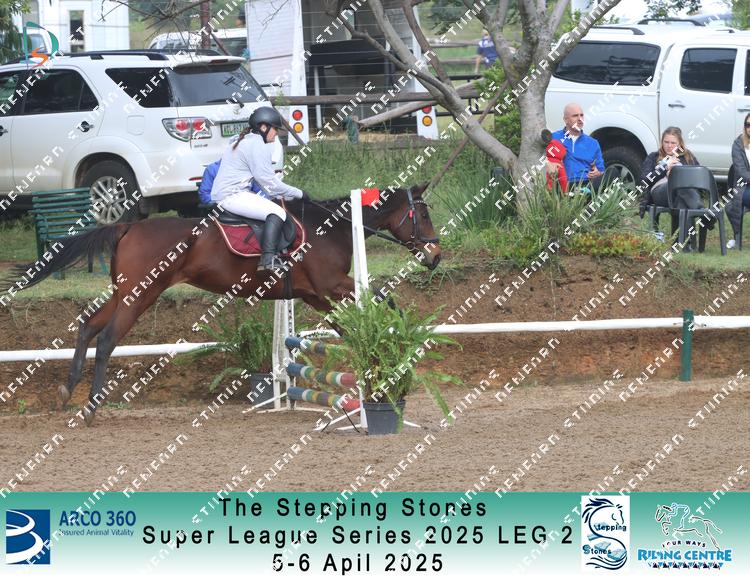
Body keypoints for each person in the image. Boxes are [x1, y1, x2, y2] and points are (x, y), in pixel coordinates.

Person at [210, 107, 304, 271]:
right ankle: (268, 260)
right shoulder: (257, 144)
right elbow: (268, 181)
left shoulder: (245, 140)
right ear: (263, 127)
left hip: (229, 193)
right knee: (277, 213)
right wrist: (299, 193)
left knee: (272, 206)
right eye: (275, 129)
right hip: (232, 195)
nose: (276, 133)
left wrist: (276, 195)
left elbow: (264, 183)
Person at [639, 127, 702, 220]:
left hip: (682, 193)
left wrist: (679, 173)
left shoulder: (687, 157)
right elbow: (645, 180)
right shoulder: (654, 156)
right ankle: (701, 212)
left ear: (679, 144)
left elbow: (698, 177)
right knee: (679, 184)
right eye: (666, 142)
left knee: (681, 203)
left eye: (673, 143)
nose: (669, 146)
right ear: (662, 142)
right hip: (660, 191)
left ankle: (682, 229)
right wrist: (664, 168)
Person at [551, 103, 607, 192]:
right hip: (564, 183)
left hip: (587, 183)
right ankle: (579, 192)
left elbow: (601, 170)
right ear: (566, 119)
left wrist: (597, 172)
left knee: (613, 172)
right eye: (575, 116)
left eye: (581, 115)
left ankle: (583, 191)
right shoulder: (554, 138)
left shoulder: (593, 143)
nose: (580, 119)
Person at [726, 112, 750, 249]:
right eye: (748, 125)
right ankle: (737, 237)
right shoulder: (738, 144)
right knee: (731, 206)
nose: (749, 128)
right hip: (743, 187)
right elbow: (741, 172)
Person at [542, 129, 568, 193]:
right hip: (557, 162)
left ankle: (549, 192)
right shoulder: (556, 142)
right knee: (562, 179)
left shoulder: (553, 143)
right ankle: (565, 192)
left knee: (551, 178)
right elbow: (564, 152)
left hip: (554, 161)